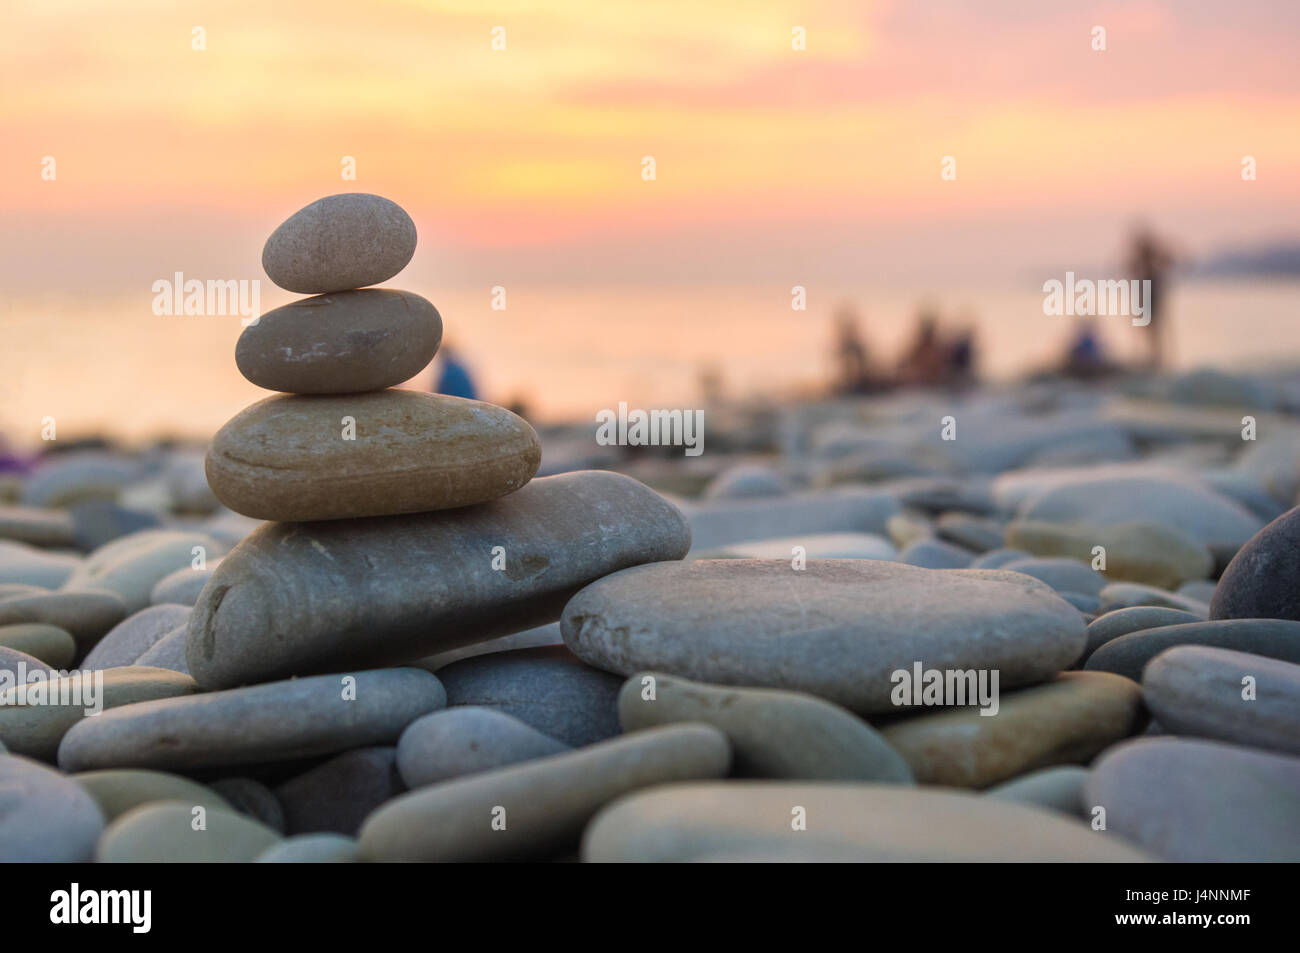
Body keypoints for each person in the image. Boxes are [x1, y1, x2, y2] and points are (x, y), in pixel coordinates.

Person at [1127, 224, 1177, 369]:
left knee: (1154, 329)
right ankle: (1151, 359)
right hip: (1146, 294)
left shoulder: (1153, 260)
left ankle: (1156, 360)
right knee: (1147, 329)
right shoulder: (1144, 262)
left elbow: (1169, 261)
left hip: (1151, 294)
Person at [832, 305, 874, 395]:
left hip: (862, 385)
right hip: (853, 386)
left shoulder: (857, 346)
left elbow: (866, 367)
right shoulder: (847, 346)